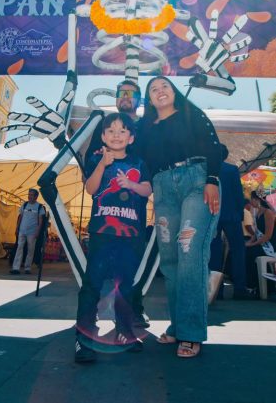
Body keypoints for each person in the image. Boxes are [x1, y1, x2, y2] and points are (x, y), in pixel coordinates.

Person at [135, 76, 221, 359]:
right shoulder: (145, 127)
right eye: (154, 89)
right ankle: (178, 325)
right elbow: (131, 150)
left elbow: (213, 146)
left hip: (197, 179)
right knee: (170, 260)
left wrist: (211, 179)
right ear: (149, 99)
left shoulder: (191, 114)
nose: (160, 91)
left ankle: (192, 332)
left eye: (165, 87)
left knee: (189, 251)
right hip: (162, 187)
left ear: (174, 92)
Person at [74, 112, 151, 363]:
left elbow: (148, 189)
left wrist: (131, 186)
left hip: (130, 234)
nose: (116, 135)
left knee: (124, 285)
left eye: (122, 131)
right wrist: (102, 165)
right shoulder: (97, 158)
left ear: (131, 137)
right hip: (101, 232)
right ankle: (83, 338)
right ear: (103, 136)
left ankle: (124, 332)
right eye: (110, 131)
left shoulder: (139, 162)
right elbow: (91, 189)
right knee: (92, 284)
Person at [86, 79, 151, 328]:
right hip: (105, 206)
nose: (125, 97)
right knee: (98, 265)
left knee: (131, 263)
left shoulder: (145, 128)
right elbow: (91, 156)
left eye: (131, 93)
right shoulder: (102, 125)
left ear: (138, 99)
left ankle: (134, 310)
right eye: (121, 93)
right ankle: (89, 313)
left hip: (134, 203)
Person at [209, 144, 248, 299]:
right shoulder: (232, 170)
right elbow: (239, 194)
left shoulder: (207, 170)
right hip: (232, 216)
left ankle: (215, 292)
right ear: (225, 155)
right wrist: (240, 214)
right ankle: (239, 290)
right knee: (238, 251)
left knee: (214, 253)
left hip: (213, 215)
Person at [245, 192, 276, 293]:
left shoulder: (268, 213)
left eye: (252, 199)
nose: (251, 201)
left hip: (271, 245)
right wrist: (249, 242)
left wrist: (253, 244)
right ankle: (253, 284)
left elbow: (268, 235)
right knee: (245, 250)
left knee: (251, 252)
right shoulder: (257, 212)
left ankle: (258, 286)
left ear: (257, 200)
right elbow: (256, 234)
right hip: (261, 242)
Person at [10, 188, 45, 274]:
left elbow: (40, 221)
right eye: (29, 194)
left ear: (36, 196)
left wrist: (37, 232)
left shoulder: (40, 207)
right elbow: (20, 217)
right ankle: (15, 268)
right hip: (22, 230)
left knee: (30, 249)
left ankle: (27, 268)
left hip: (32, 232)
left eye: (32, 195)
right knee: (19, 247)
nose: (29, 196)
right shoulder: (24, 205)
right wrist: (17, 228)